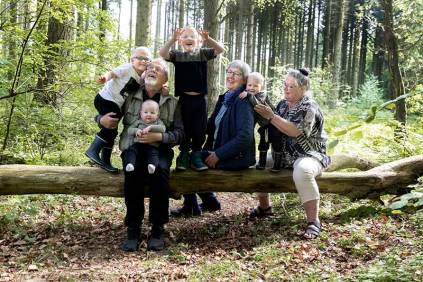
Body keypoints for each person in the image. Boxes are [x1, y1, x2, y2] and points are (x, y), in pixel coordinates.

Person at [100, 58, 184, 252]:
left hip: (160, 148)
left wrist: (161, 136)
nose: (152, 70)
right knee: (133, 173)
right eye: (149, 68)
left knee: (161, 171)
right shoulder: (130, 96)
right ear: (143, 75)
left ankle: (157, 228)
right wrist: (100, 118)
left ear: (165, 79)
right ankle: (133, 228)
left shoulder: (172, 102)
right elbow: (109, 111)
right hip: (133, 146)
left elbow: (180, 133)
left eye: (158, 69)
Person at [252, 68, 330, 240]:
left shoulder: (309, 106)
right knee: (258, 164)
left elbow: (294, 131)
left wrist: (271, 116)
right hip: (285, 156)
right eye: (285, 85)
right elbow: (272, 124)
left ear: (303, 88)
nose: (286, 89)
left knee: (302, 171)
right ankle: (265, 208)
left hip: (310, 155)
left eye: (291, 86)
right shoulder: (281, 105)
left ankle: (313, 221)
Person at [171, 60, 255, 217]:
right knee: (187, 158)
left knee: (189, 161)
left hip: (236, 157)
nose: (230, 76)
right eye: (228, 72)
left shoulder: (243, 101)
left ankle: (193, 206)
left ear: (244, 79)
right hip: (216, 150)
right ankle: (210, 202)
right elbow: (209, 127)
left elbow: (245, 137)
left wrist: (218, 155)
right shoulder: (225, 98)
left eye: (235, 74)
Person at [159, 27, 224, 171]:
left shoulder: (202, 54)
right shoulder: (178, 55)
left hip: (200, 100)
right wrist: (172, 39)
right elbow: (162, 53)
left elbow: (220, 50)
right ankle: (183, 155)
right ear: (181, 41)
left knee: (199, 128)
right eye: (185, 36)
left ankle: (196, 155)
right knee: (185, 127)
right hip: (184, 100)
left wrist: (208, 39)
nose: (189, 38)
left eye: (192, 36)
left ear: (198, 41)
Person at [85, 47, 152, 173]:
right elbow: (112, 73)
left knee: (112, 131)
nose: (143, 61)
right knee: (111, 128)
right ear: (132, 60)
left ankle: (105, 160)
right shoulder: (127, 68)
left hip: (116, 103)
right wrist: (105, 77)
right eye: (140, 58)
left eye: (147, 59)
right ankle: (93, 149)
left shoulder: (142, 77)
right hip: (106, 98)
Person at [239, 72, 280, 171]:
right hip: (264, 126)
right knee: (263, 144)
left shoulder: (262, 95)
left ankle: (277, 165)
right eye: (249, 85)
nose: (252, 88)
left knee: (275, 144)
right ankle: (262, 164)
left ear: (261, 87)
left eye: (255, 86)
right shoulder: (252, 93)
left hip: (272, 124)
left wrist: (248, 95)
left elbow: (258, 106)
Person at [122, 100, 166, 174]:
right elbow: (129, 130)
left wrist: (151, 127)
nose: (148, 114)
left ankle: (152, 166)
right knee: (131, 151)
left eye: (152, 113)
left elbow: (163, 129)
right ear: (141, 114)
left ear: (157, 115)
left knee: (153, 154)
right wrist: (136, 131)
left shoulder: (158, 122)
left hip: (152, 146)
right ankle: (130, 164)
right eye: (145, 112)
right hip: (138, 145)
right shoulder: (138, 122)